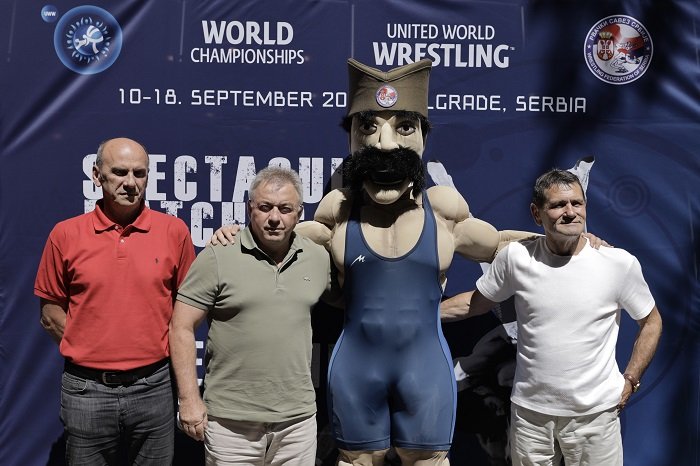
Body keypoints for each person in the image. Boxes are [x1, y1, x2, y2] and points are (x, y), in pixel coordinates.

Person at [212, 59, 606, 466]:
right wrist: (233, 235)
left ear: (422, 136)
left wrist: (571, 239)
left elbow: (502, 244)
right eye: (368, 127)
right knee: (356, 461)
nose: (384, 145)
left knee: (429, 460)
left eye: (403, 127)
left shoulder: (444, 211)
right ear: (351, 137)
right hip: (356, 367)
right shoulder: (338, 210)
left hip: (425, 368)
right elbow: (279, 242)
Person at [441, 168, 663, 466]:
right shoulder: (516, 257)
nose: (570, 212)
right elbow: (475, 303)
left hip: (595, 418)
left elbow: (651, 322)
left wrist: (631, 380)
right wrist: (420, 313)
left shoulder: (618, 263)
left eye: (577, 203)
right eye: (558, 205)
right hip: (530, 418)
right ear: (537, 213)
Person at [34, 137, 196, 465]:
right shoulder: (65, 235)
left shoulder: (174, 232)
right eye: (120, 172)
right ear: (97, 176)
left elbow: (188, 309)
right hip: (86, 390)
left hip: (154, 386)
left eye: (140, 173)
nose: (130, 182)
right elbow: (50, 314)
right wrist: (93, 350)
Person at [169, 166, 332, 465]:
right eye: (265, 207)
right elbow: (181, 327)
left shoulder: (318, 258)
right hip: (230, 423)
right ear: (249, 209)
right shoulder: (218, 255)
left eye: (285, 209)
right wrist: (189, 399)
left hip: (297, 423)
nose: (274, 217)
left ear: (299, 213)